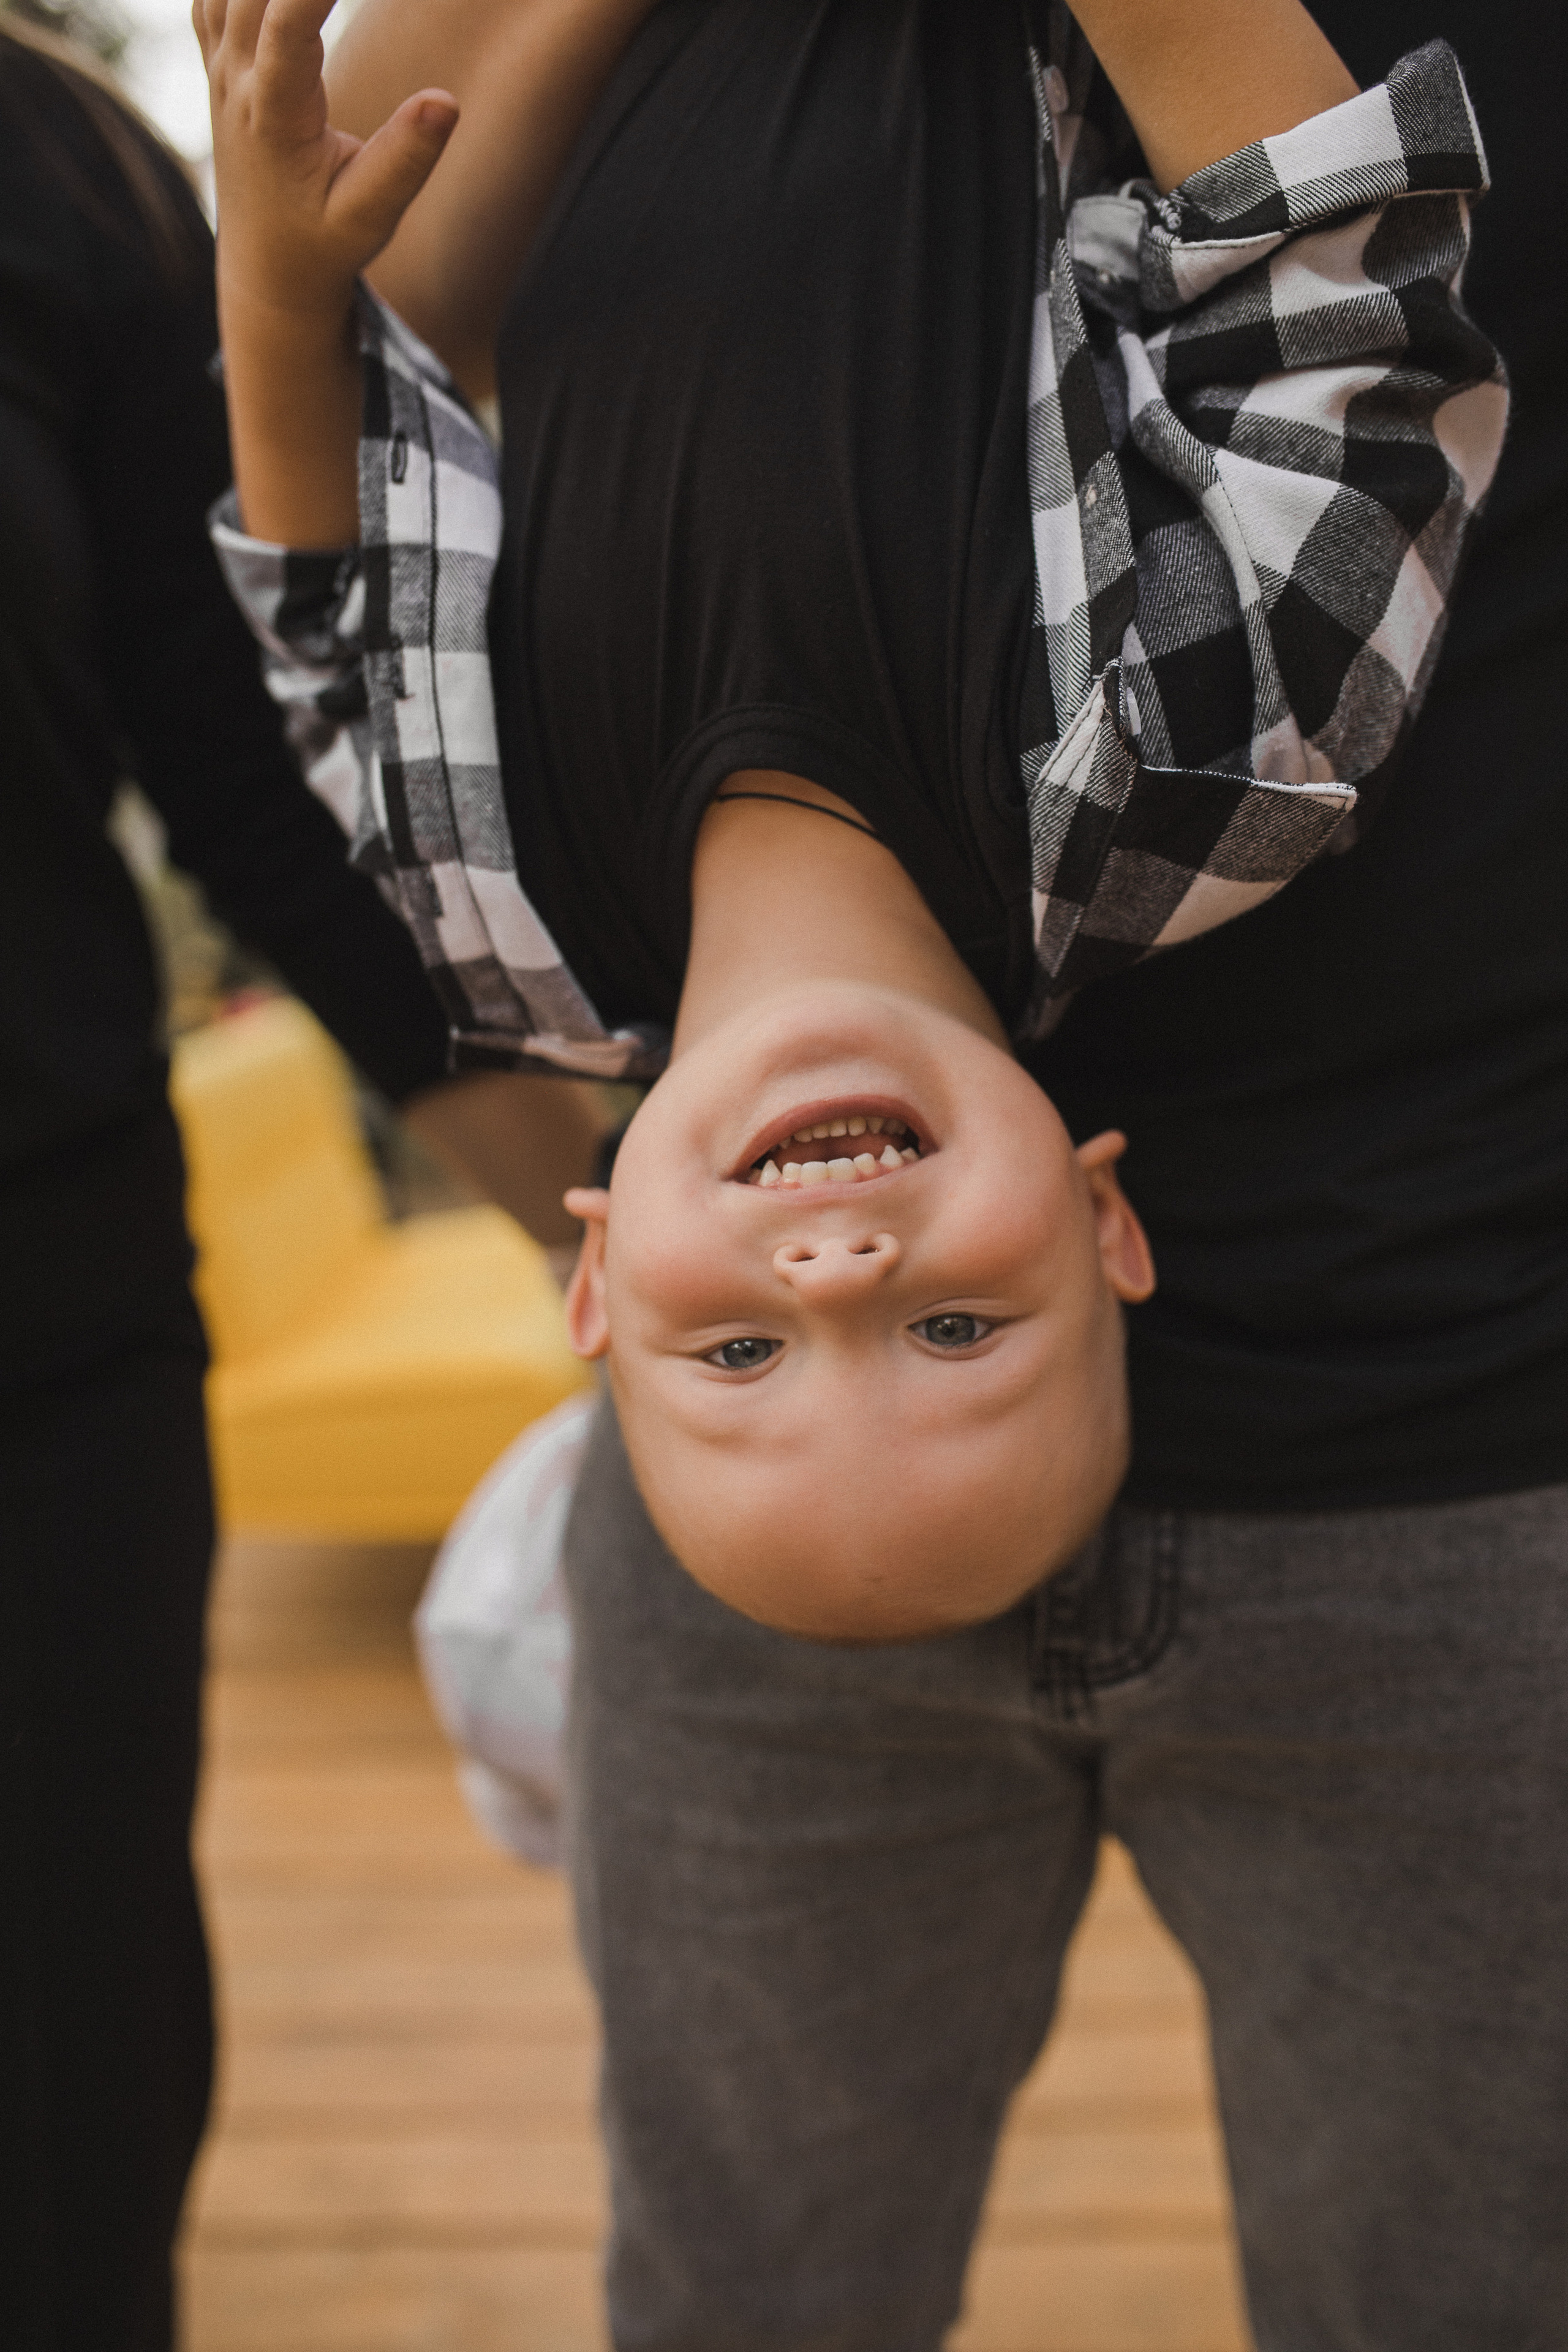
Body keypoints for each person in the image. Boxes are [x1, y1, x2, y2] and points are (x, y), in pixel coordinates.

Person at [199, 0, 1501, 1637]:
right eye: (962, 1329)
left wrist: (267, 284)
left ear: (595, 1275)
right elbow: (1335, 264)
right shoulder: (1219, 778)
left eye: (739, 1353)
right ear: (1102, 1221)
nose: (841, 1275)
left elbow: (322, 615)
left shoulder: (492, 922)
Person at [0, 21, 603, 2349]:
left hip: (40, 1354)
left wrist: (616, 1215)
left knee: (63, 2101)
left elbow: (262, 797)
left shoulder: (65, 186)